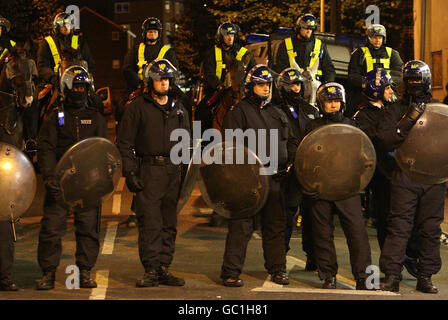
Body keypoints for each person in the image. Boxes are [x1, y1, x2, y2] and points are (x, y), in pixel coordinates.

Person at [117, 59, 190, 287]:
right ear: (151, 82)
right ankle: (150, 269)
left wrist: (185, 174)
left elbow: (187, 143)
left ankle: (163, 268)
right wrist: (130, 172)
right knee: (150, 223)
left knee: (169, 223)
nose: (164, 83)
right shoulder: (137, 107)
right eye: (159, 79)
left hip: (173, 171)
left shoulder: (179, 109)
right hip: (148, 170)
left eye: (167, 79)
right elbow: (124, 143)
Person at [35, 66, 108, 290]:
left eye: (83, 87)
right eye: (75, 86)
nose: (79, 91)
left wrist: (99, 182)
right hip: (60, 183)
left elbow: (103, 151)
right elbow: (46, 148)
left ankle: (84, 272)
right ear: (67, 88)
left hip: (87, 185)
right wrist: (50, 178)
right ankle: (48, 273)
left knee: (88, 229)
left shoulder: (95, 118)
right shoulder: (55, 116)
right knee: (51, 228)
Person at [220, 64, 293, 287]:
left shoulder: (277, 112)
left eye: (268, 84)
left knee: (275, 226)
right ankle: (230, 272)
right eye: (261, 84)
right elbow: (230, 149)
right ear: (251, 86)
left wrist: (289, 161)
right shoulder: (239, 112)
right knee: (241, 227)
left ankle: (277, 269)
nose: (265, 88)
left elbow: (289, 142)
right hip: (249, 180)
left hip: (274, 178)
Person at [378, 60, 444, 294]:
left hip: (434, 178)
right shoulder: (395, 108)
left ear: (425, 81)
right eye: (411, 80)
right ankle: (392, 275)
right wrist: (407, 120)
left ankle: (425, 275)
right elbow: (386, 140)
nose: (414, 84)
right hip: (405, 175)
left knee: (430, 229)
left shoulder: (437, 108)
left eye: (418, 80)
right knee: (399, 226)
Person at [303, 82, 372, 290]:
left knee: (357, 232)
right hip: (320, 187)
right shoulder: (312, 127)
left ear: (342, 103)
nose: (332, 105)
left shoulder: (352, 126)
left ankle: (364, 277)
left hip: (346, 188)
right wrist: (308, 183)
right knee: (322, 233)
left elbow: (362, 157)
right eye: (328, 102)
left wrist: (358, 183)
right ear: (321, 104)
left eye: (336, 101)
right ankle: (328, 276)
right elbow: (304, 158)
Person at [353, 68, 419, 278]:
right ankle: (394, 265)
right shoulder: (362, 116)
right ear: (376, 90)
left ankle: (409, 257)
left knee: (409, 219)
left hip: (402, 172)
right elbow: (372, 141)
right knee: (386, 221)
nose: (391, 91)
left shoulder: (396, 108)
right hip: (381, 176)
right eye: (388, 87)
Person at [121, 17, 181, 228]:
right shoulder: (136, 49)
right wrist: (140, 83)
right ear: (145, 32)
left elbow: (175, 69)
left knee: (187, 105)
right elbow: (127, 68)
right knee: (124, 107)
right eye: (150, 31)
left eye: (156, 31)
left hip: (162, 89)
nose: (152, 34)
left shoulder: (167, 50)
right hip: (141, 88)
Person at [275, 67, 319, 270]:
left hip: (310, 172)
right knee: (284, 218)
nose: (296, 89)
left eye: (299, 84)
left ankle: (313, 257)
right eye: (292, 85)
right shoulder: (275, 111)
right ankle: (280, 258)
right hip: (288, 172)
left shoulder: (311, 111)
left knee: (313, 217)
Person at [197, 22, 256, 132]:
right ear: (220, 36)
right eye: (227, 35)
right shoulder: (211, 53)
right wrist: (218, 85)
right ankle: (200, 141)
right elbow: (208, 74)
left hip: (241, 91)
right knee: (201, 111)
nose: (230, 38)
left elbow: (253, 69)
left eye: (232, 35)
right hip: (218, 91)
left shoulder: (243, 52)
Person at [347, 24, 403, 115]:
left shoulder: (392, 53)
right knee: (352, 107)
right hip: (365, 93)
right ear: (369, 38)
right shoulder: (359, 53)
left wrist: (385, 84)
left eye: (380, 38)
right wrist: (368, 84)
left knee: (398, 110)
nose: (377, 40)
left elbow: (399, 74)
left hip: (387, 92)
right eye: (375, 37)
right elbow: (352, 76)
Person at [273, 14, 335, 83]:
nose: (309, 31)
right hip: (292, 85)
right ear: (298, 28)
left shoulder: (319, 45)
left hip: (314, 85)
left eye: (311, 29)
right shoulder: (286, 44)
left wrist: (328, 84)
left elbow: (329, 69)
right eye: (305, 28)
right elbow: (280, 68)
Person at [37, 12, 95, 85]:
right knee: (40, 95)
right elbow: (42, 66)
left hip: (79, 81)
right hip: (56, 82)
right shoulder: (48, 42)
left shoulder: (79, 41)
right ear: (57, 27)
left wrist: (87, 76)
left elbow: (89, 63)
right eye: (62, 25)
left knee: (94, 96)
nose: (66, 27)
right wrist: (53, 78)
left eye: (68, 24)